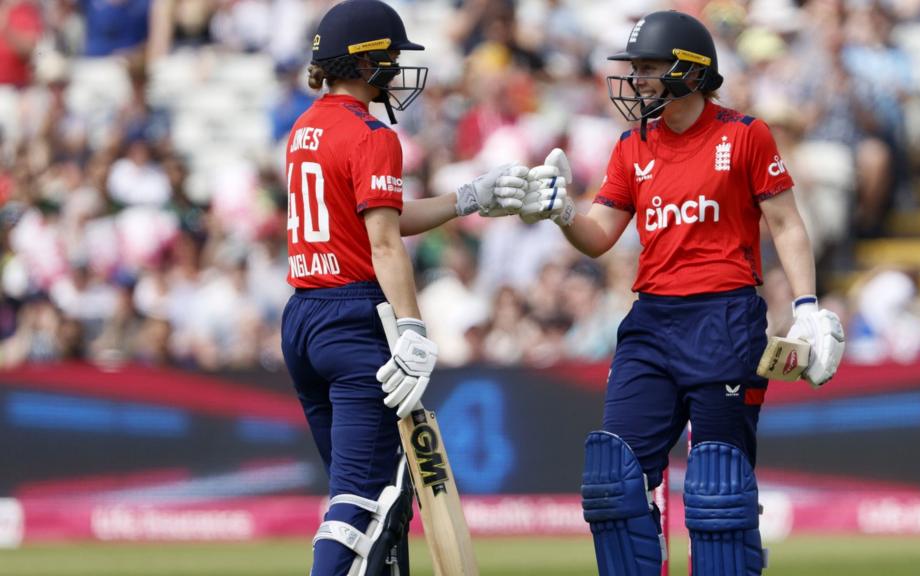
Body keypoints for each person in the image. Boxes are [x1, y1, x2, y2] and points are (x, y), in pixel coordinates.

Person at [519, 11, 845, 576]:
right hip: (650, 324)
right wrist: (563, 211)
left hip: (725, 320)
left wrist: (807, 308)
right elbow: (598, 236)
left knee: (719, 488)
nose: (636, 79)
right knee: (611, 478)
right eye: (635, 68)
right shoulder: (631, 146)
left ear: (690, 73)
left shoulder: (744, 135)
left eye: (648, 68)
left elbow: (787, 225)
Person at [279, 1, 528, 575]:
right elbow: (384, 245)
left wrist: (468, 198)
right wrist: (413, 328)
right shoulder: (371, 134)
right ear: (365, 61)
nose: (395, 68)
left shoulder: (305, 127)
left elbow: (379, 216)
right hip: (352, 318)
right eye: (389, 57)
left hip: (304, 318)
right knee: (365, 499)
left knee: (373, 496)